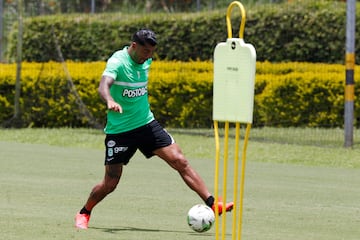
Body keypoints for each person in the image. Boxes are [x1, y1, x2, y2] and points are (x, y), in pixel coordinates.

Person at [74, 29, 233, 229]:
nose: (148, 56)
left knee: (180, 160)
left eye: (151, 52)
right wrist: (110, 100)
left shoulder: (147, 61)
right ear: (133, 46)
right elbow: (103, 85)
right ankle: (84, 212)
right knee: (110, 182)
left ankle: (212, 203)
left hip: (146, 124)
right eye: (145, 51)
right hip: (120, 131)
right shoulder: (118, 61)